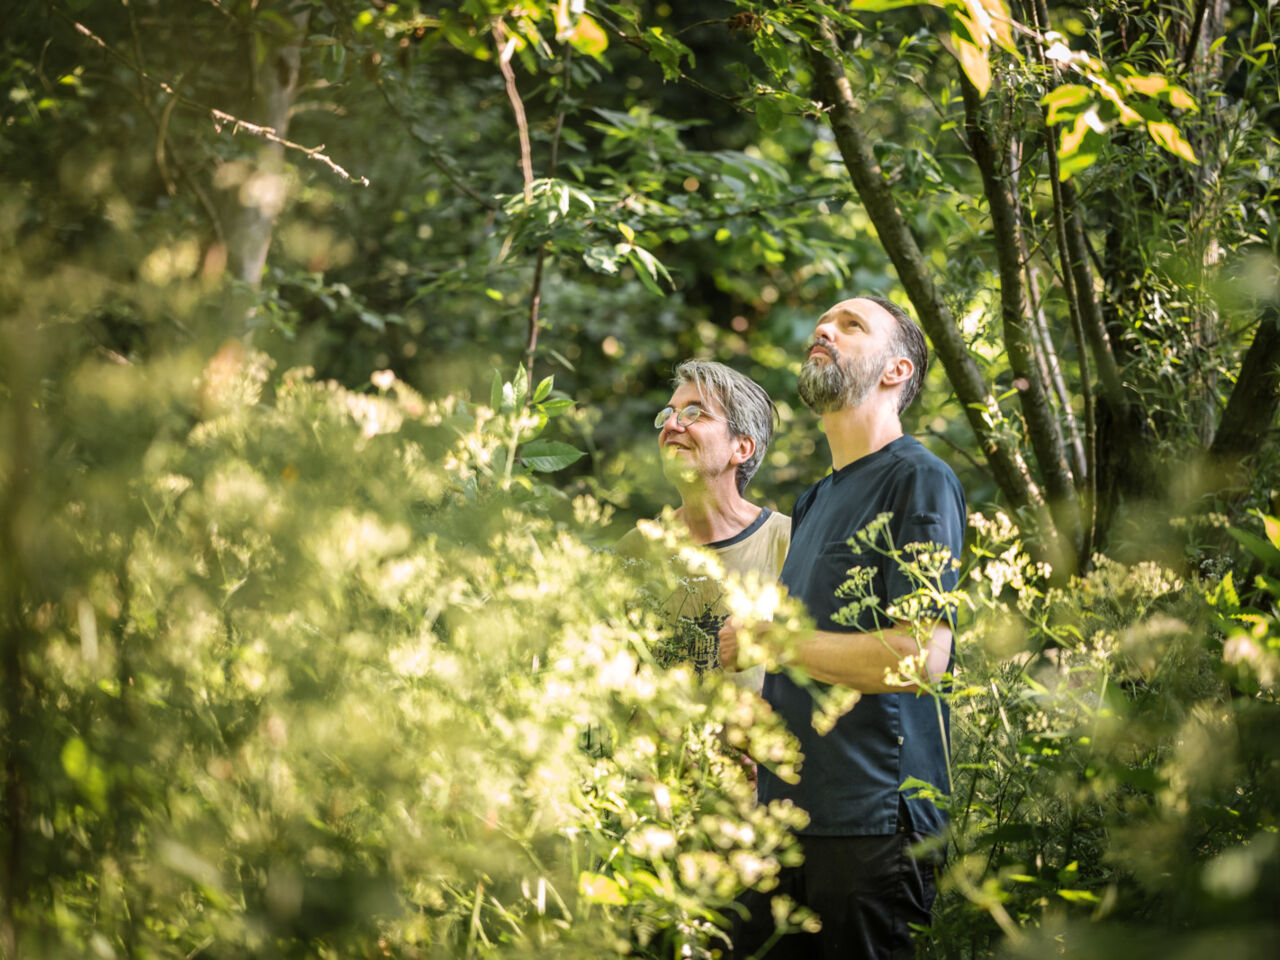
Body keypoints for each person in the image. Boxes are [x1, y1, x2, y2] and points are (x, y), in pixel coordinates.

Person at [719, 296, 966, 959]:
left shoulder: (919, 479)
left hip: (872, 828)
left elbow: (921, 657)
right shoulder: (816, 500)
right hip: (783, 824)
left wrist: (773, 640)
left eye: (851, 325)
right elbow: (812, 657)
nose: (823, 330)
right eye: (822, 324)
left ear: (896, 371)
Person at [616, 359, 789, 689]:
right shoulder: (636, 548)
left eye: (694, 413)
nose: (672, 426)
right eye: (668, 414)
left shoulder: (789, 541)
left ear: (741, 447)